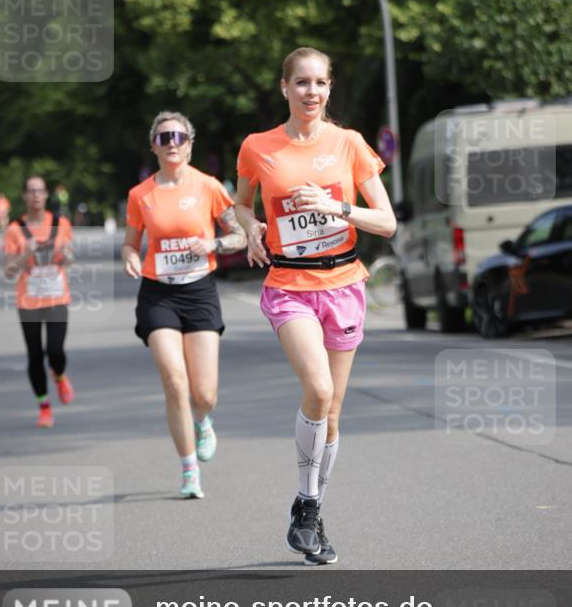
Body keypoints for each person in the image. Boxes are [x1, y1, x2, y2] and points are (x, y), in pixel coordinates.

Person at [235, 46, 396, 565]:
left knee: (332, 414)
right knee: (318, 389)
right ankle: (307, 507)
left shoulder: (349, 144)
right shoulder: (259, 147)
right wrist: (250, 226)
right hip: (289, 285)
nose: (311, 92)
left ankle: (312, 512)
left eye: (320, 83)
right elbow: (241, 201)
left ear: (330, 89)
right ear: (284, 87)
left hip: (345, 283)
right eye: (301, 82)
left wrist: (337, 207)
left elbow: (387, 222)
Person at [122, 111, 247, 499]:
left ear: (190, 144)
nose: (172, 142)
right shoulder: (140, 195)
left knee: (203, 393)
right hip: (158, 293)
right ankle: (189, 469)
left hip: (200, 292)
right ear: (154, 147)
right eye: (164, 137)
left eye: (179, 136)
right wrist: (129, 255)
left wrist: (213, 244)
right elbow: (130, 241)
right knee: (175, 380)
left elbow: (240, 235)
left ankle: (203, 420)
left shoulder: (209, 187)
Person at [3, 176, 75, 428]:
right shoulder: (14, 229)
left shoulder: (60, 224)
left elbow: (69, 257)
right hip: (29, 301)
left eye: (40, 191)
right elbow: (9, 270)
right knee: (35, 355)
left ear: (46, 195)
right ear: (24, 195)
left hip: (57, 296)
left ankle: (60, 375)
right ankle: (44, 407)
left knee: (55, 349)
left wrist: (67, 256)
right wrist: (26, 254)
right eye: (30, 191)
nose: (35, 195)